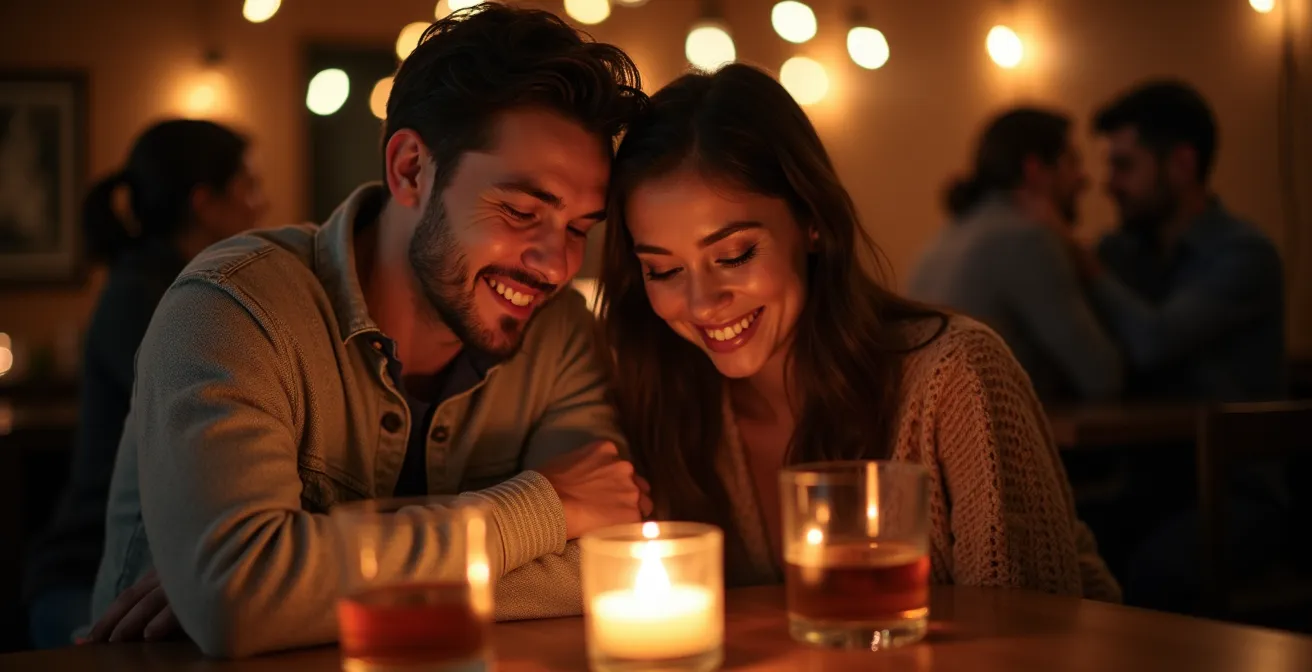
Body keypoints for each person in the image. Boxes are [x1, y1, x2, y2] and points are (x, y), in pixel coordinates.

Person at [86, 4, 648, 657]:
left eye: (581, 227)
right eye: (523, 211)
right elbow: (236, 600)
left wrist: (294, 579)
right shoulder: (232, 307)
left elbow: (609, 564)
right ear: (410, 169)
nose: (558, 264)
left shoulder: (562, 335)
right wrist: (541, 509)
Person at [598, 64, 1120, 600]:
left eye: (734, 256)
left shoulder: (954, 380)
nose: (702, 303)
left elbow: (1030, 640)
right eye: (663, 270)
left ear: (813, 222)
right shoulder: (660, 400)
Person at [22, 119, 268, 649]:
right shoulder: (167, 303)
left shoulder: (164, 284)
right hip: (87, 574)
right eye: (248, 186)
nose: (260, 205)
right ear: (205, 203)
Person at [1083, 80, 1285, 402]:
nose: (1110, 185)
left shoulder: (1245, 255)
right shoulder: (1121, 251)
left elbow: (1154, 342)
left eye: (1125, 166)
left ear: (1183, 165)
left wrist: (1086, 265)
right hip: (1139, 448)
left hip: (1216, 452)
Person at [909, 107, 1123, 402]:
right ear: (1034, 170)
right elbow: (1103, 376)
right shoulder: (1026, 240)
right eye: (1072, 162)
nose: (1084, 179)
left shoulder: (942, 240)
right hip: (1001, 440)